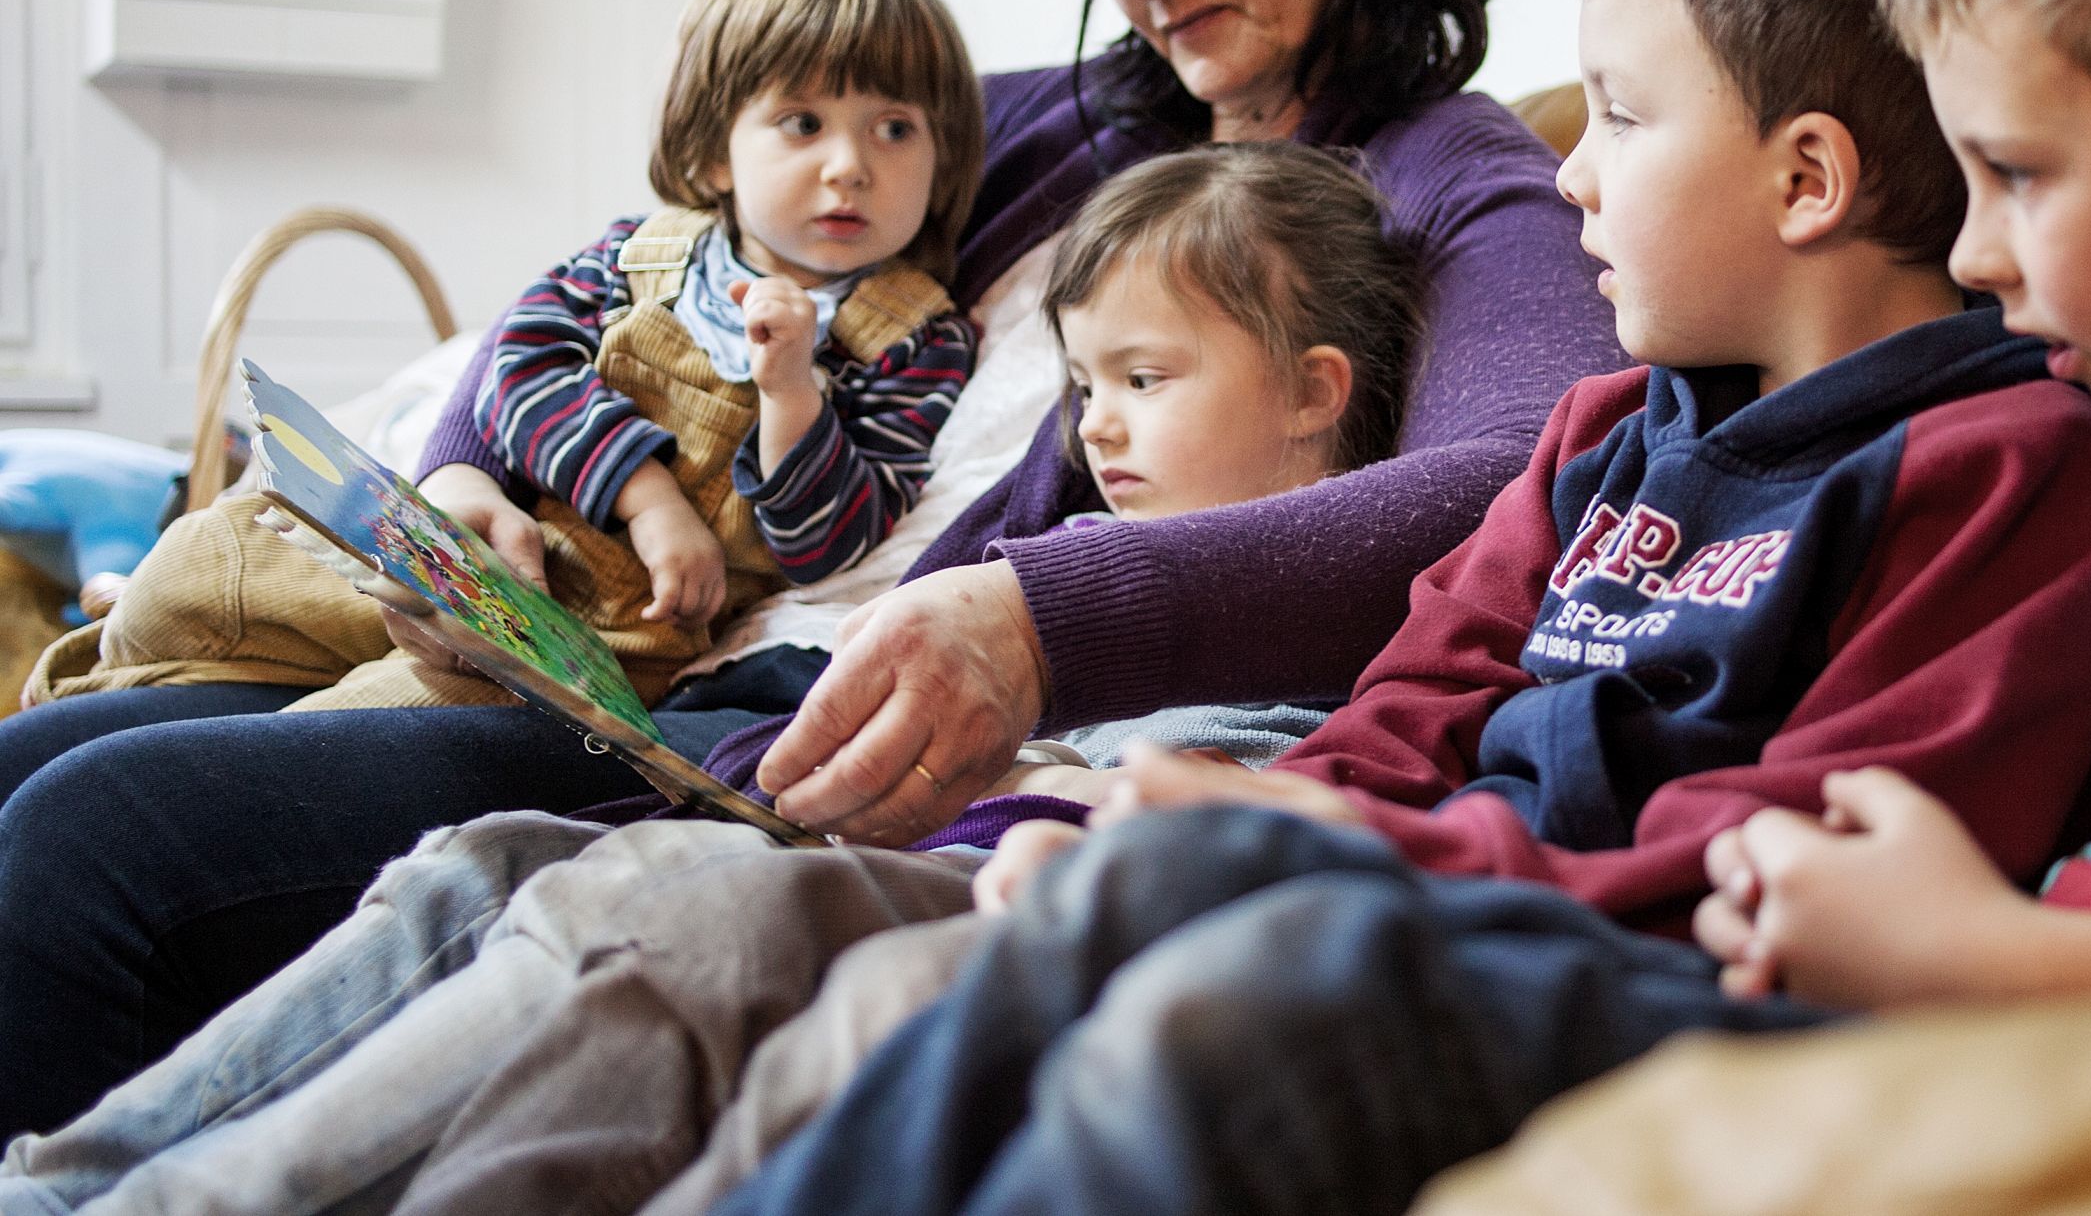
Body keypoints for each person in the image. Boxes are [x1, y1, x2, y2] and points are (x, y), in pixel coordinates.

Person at [724, 0, 2091, 1216]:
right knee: (1097, 901)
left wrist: (1361, 856)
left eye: (2016, 174)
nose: (1978, 248)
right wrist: (1253, 816)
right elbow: (1421, 687)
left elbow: (1848, 842)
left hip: (1828, 968)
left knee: (1272, 988)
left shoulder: (2048, 441)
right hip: (1871, 949)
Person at [0, 0, 1619, 1136]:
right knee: (33, 773)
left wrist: (1042, 620)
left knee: (99, 845)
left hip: (769, 730)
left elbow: (1516, 478)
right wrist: (467, 472)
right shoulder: (1038, 125)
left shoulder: (1453, 182)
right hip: (640, 643)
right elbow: (647, 258)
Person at [0, 140, 1430, 1216]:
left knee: (589, 901)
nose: (1097, 429)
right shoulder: (1063, 546)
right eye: (1084, 386)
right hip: (761, 784)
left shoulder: (1315, 636)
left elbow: (1182, 807)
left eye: (1145, 382)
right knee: (481, 860)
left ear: (1316, 391)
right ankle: (61, 1184)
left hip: (913, 877)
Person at [24, 0, 983, 722]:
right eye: (804, 123)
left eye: (895, 128)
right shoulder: (638, 255)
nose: (851, 165)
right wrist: (647, 495)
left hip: (601, 636)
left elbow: (833, 541)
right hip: (475, 543)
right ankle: (86, 681)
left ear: (941, 155)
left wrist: (792, 395)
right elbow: (515, 363)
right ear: (717, 151)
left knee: (353, 725)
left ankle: (154, 735)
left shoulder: (915, 337)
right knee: (206, 560)